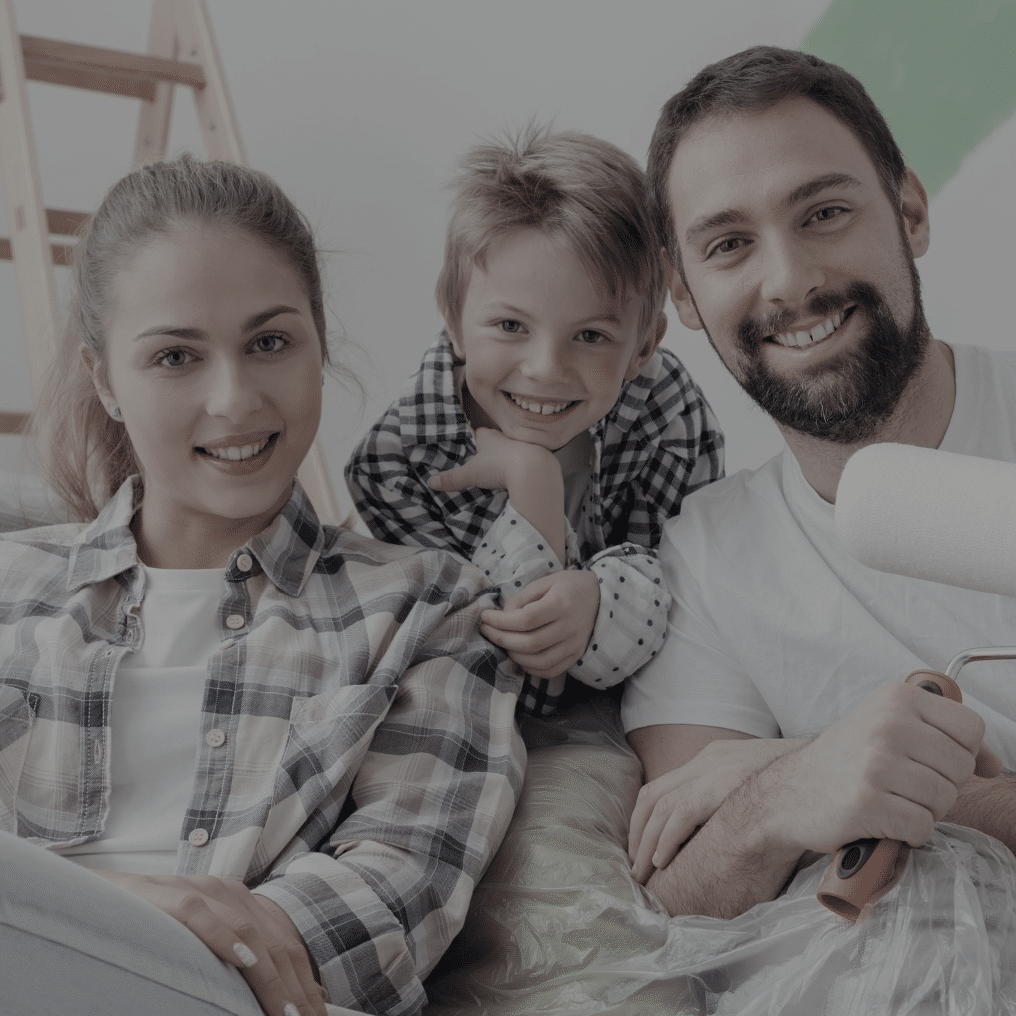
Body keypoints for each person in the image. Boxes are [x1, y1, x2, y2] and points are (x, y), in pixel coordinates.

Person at [0, 156, 525, 1016]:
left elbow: (389, 913)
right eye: (175, 356)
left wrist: (148, 947)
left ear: (320, 342)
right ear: (105, 381)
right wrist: (148, 905)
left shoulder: (429, 607)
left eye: (270, 342)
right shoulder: (10, 586)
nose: (234, 399)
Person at [622, 46, 1016, 920]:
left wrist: (795, 762)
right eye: (729, 244)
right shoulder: (705, 562)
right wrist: (793, 789)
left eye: (825, 212)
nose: (791, 280)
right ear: (683, 295)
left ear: (909, 211)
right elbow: (677, 896)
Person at [345, 127, 724, 716]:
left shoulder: (665, 410)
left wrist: (601, 601)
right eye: (511, 327)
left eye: (591, 336)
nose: (545, 370)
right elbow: (507, 682)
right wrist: (534, 488)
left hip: (644, 705)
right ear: (453, 321)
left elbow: (698, 619)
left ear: (644, 346)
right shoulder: (395, 468)